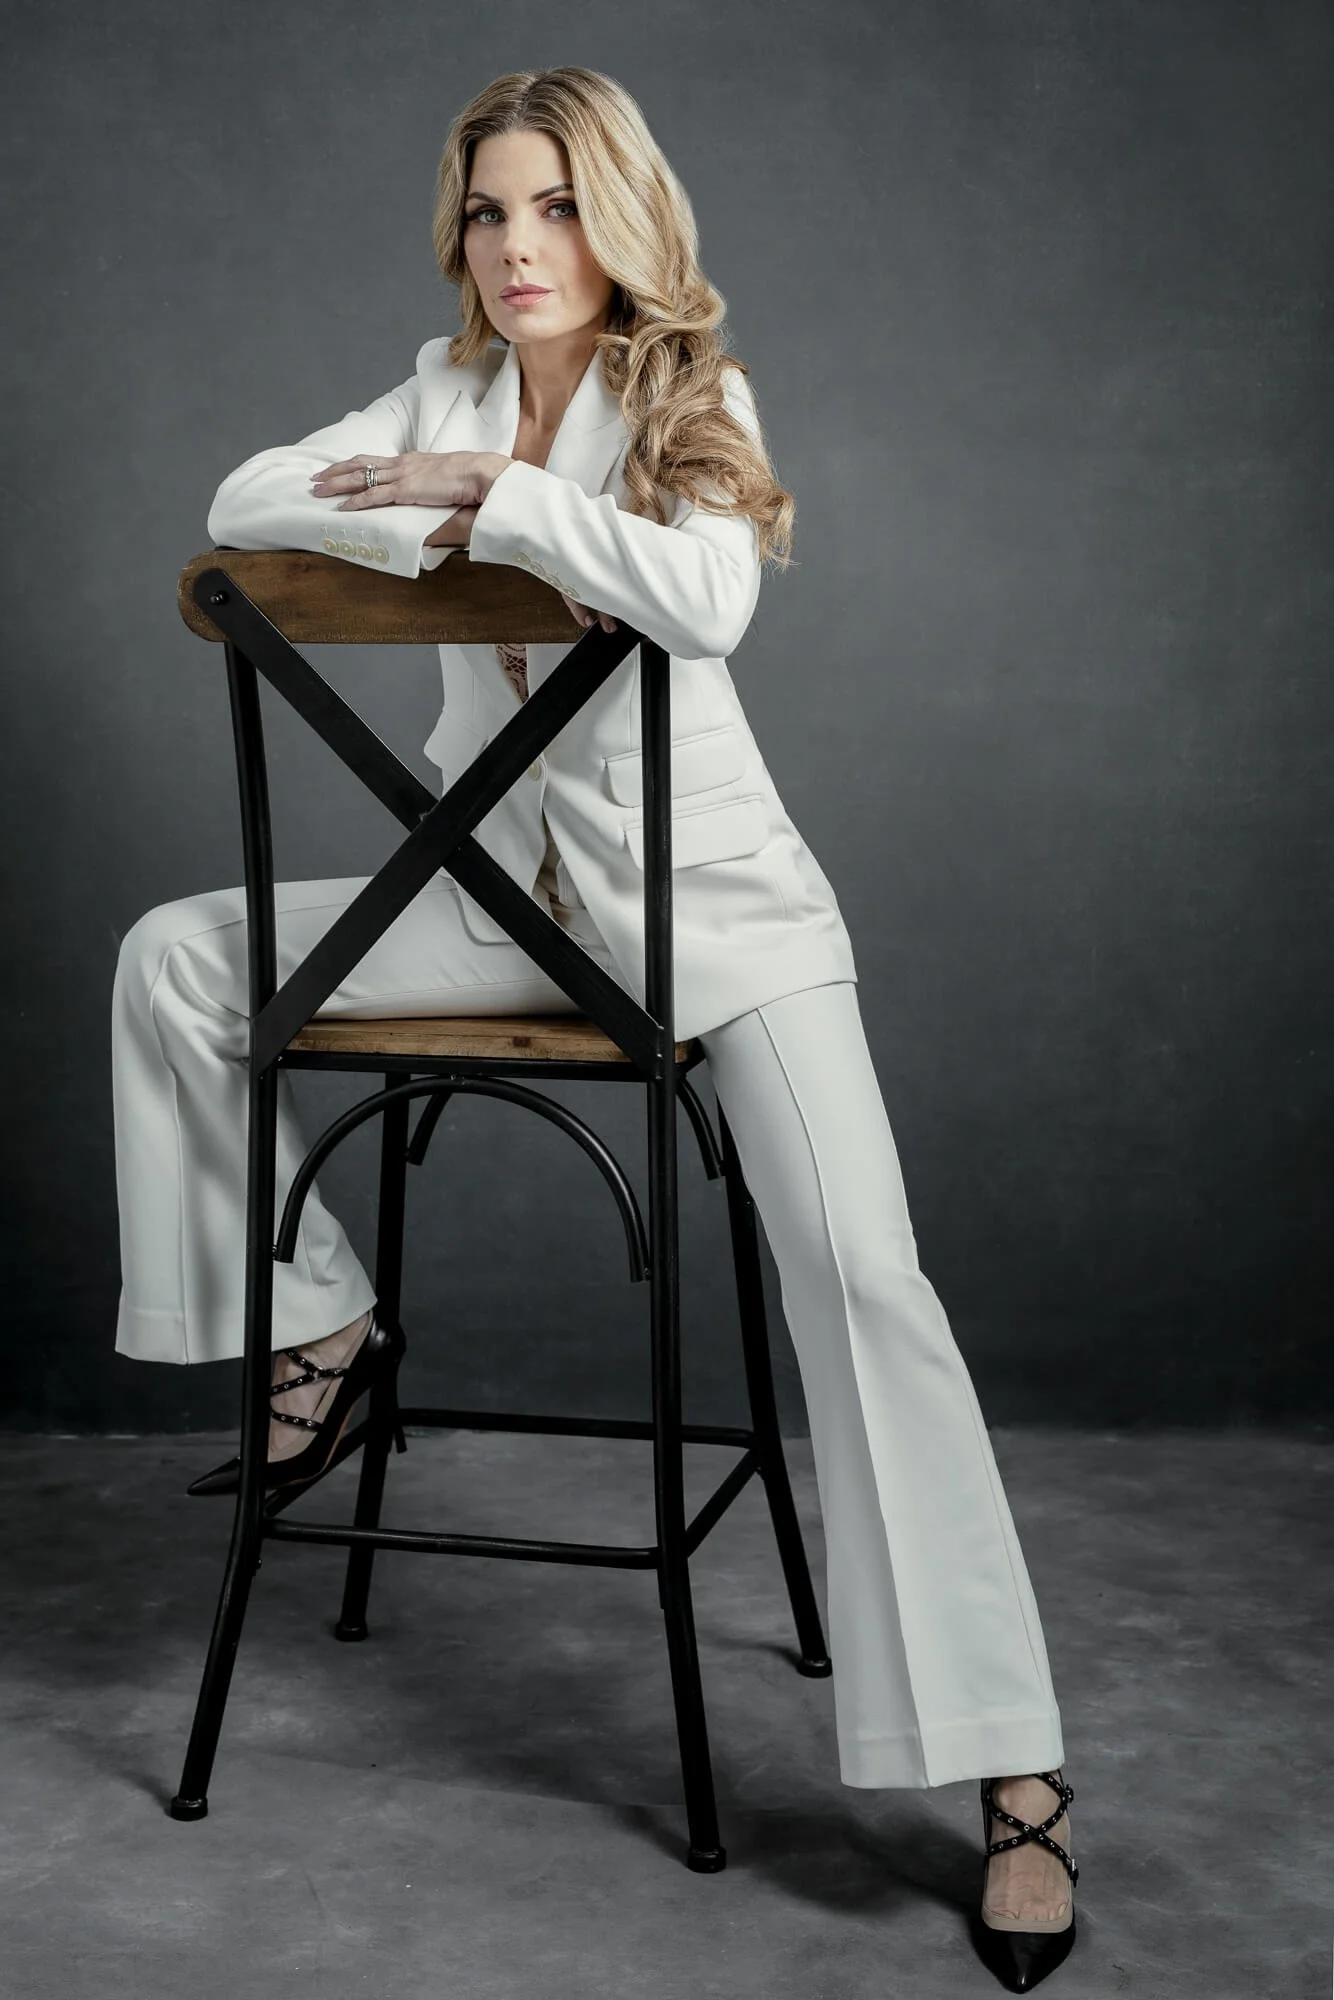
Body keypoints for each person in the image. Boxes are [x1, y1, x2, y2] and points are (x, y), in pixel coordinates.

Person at [111, 65, 1080, 1992]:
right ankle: (316, 1328)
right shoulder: (434, 384)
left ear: (615, 220)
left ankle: (1016, 1775)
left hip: (722, 928)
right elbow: (238, 505)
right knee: (178, 958)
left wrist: (511, 503)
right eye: (487, 212)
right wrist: (444, 490)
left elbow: (708, 600)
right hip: (497, 915)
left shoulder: (685, 394)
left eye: (552, 207)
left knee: (865, 1284)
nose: (517, 246)